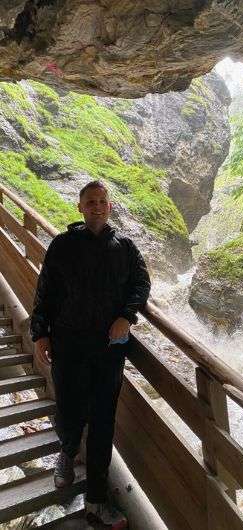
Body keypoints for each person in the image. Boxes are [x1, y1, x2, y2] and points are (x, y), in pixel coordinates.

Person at [30, 180, 150, 528]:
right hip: (68, 344)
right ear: (80, 207)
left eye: (102, 201)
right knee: (70, 406)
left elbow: (142, 284)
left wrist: (126, 317)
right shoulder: (63, 245)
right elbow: (46, 291)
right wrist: (40, 334)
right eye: (90, 201)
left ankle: (96, 499)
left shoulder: (125, 247)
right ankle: (67, 452)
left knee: (102, 420)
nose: (97, 206)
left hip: (108, 351)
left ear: (109, 207)